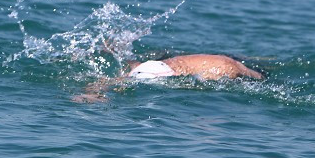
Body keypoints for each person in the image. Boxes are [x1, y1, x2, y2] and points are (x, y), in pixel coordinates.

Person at [72, 53, 265, 103]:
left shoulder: (223, 62)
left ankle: (93, 91)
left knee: (125, 79)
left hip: (154, 68)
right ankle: (93, 91)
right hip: (158, 72)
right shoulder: (229, 66)